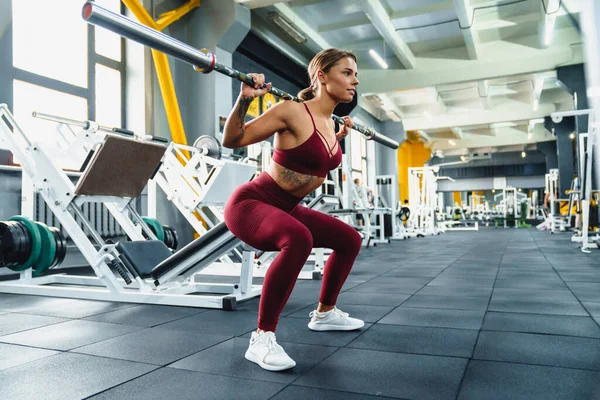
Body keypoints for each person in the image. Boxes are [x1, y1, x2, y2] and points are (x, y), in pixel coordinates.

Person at [222, 48, 364, 372]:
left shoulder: (330, 123)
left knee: (349, 239)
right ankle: (261, 338)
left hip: (287, 207)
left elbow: (316, 159)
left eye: (355, 74)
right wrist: (245, 99)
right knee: (298, 238)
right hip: (251, 203)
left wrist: (338, 137)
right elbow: (232, 139)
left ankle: (325, 313)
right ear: (322, 76)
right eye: (347, 72)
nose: (355, 80)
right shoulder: (291, 110)